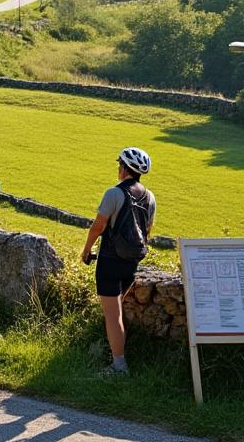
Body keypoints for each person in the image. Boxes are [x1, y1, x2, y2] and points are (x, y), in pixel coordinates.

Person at [82, 147, 157, 377]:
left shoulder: (114, 194)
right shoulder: (150, 197)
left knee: (112, 315)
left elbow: (99, 226)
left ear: (124, 168)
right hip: (131, 263)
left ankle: (119, 366)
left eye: (119, 164)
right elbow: (147, 230)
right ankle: (117, 354)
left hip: (110, 261)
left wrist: (86, 250)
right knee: (118, 312)